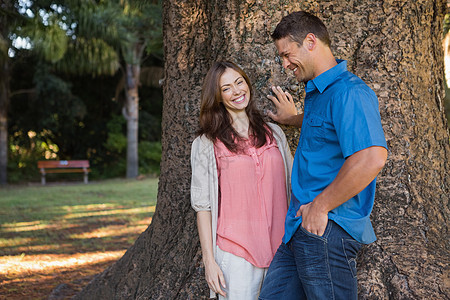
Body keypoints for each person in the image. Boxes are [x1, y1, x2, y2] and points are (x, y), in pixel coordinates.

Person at [259, 11, 388, 300]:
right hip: (299, 228)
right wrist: (293, 119)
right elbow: (327, 127)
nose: (284, 64)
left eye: (287, 54)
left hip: (327, 228)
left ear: (310, 41)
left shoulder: (350, 92)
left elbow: (372, 157)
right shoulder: (320, 94)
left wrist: (320, 206)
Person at [190, 61, 293, 299]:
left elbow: (293, 183)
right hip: (236, 253)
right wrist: (210, 262)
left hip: (282, 251)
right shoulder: (206, 144)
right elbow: (203, 206)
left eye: (239, 82)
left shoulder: (274, 133)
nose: (237, 91)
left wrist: (296, 118)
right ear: (217, 97)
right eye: (226, 88)